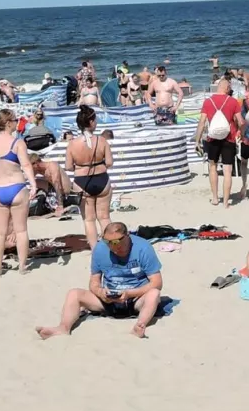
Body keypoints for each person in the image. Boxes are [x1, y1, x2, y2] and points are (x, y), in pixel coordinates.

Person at [36, 221, 164, 339]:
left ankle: (139, 326)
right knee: (73, 294)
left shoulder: (143, 248)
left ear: (128, 235)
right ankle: (63, 327)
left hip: (136, 299)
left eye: (118, 241)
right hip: (108, 299)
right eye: (109, 242)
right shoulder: (100, 249)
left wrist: (130, 293)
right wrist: (100, 292)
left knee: (154, 294)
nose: (115, 246)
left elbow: (157, 283)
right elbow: (94, 282)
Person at [0, 109, 39, 276]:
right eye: (14, 120)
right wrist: (33, 184)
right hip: (16, 187)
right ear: (8, 124)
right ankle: (22, 267)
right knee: (21, 230)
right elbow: (26, 165)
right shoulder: (17, 143)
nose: (16, 123)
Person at [67, 104, 113, 247]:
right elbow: (110, 163)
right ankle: (111, 245)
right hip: (101, 179)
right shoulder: (102, 141)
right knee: (104, 217)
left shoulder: (72, 144)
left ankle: (95, 250)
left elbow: (68, 167)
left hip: (82, 181)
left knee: (89, 220)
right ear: (91, 122)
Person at [199, 78, 244, 208]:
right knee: (227, 170)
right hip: (229, 137)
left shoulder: (208, 101)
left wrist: (197, 139)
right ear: (227, 88)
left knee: (212, 166)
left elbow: (202, 122)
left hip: (212, 138)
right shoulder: (233, 101)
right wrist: (240, 132)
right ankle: (225, 202)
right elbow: (240, 121)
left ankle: (214, 198)